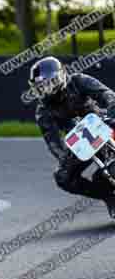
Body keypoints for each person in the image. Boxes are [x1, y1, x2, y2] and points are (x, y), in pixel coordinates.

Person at [29, 56, 115, 218]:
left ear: (58, 78)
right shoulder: (43, 111)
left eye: (46, 84)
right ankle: (109, 197)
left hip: (103, 123)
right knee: (63, 177)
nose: (44, 90)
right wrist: (64, 157)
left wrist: (111, 112)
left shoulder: (79, 81)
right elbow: (53, 142)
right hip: (81, 143)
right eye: (40, 87)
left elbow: (107, 94)